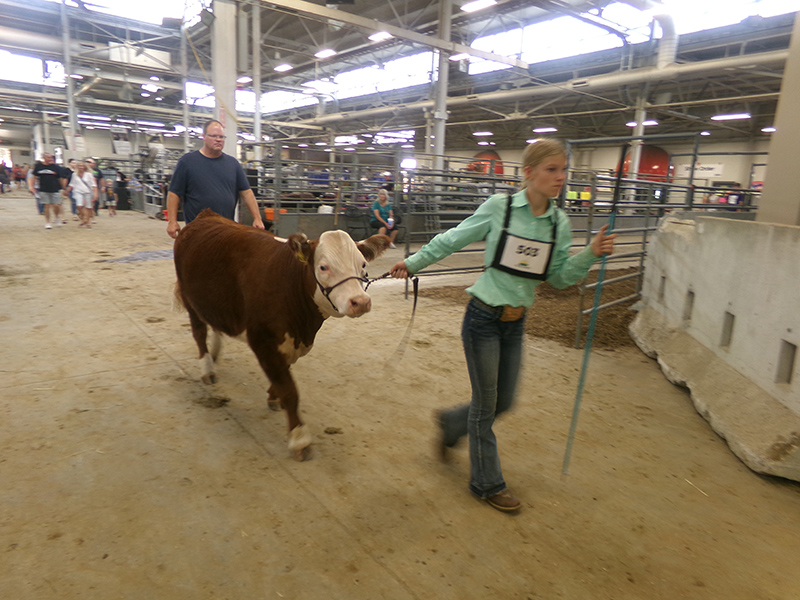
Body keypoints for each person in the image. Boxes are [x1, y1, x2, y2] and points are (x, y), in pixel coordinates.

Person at [389, 139, 616, 513]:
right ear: (529, 173)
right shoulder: (501, 208)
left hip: (516, 321)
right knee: (487, 404)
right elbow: (454, 238)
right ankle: (486, 483)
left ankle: (450, 423)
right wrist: (414, 262)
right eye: (552, 169)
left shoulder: (558, 222)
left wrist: (589, 253)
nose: (560, 177)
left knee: (504, 400)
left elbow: (558, 279)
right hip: (483, 317)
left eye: (563, 170)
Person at [166, 119, 264, 239]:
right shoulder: (187, 162)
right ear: (204, 136)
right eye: (214, 136)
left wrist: (257, 218)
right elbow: (174, 193)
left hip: (227, 230)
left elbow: (247, 192)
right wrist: (172, 221)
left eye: (221, 137)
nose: (218, 139)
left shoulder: (233, 164)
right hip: (197, 232)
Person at [29, 153, 67, 229]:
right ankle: (47, 222)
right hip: (43, 189)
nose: (50, 159)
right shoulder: (39, 167)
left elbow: (60, 178)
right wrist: (32, 187)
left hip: (55, 189)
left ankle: (56, 216)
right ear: (44, 158)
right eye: (48, 157)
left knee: (56, 205)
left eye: (51, 157)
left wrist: (63, 188)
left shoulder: (55, 167)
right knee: (46, 205)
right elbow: (34, 177)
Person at [65, 160, 98, 228]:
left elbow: (93, 185)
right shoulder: (74, 174)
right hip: (78, 191)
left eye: (82, 166)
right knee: (79, 206)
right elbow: (72, 184)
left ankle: (87, 221)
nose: (81, 167)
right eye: (79, 166)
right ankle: (83, 218)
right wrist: (67, 191)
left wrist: (95, 194)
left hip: (87, 192)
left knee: (88, 207)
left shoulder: (88, 175)